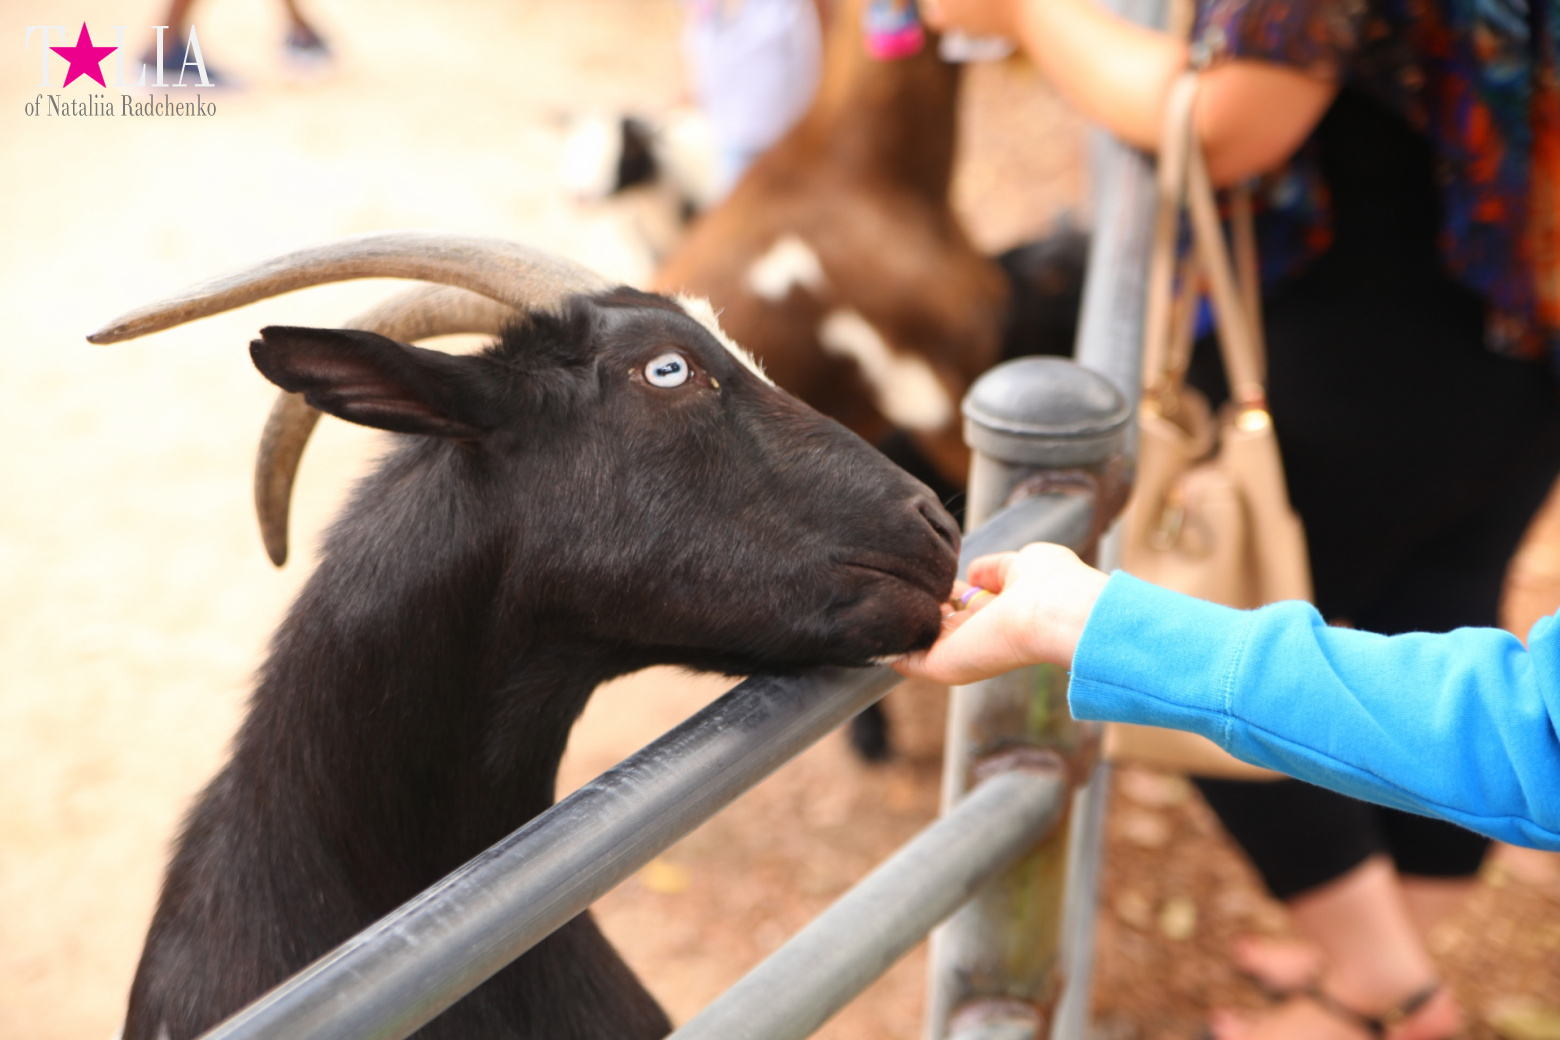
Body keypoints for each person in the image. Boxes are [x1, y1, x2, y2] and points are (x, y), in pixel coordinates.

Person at [917, 0, 1560, 1036]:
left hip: (1353, 341)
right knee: (1443, 617)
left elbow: (1232, 120)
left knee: (1215, 623)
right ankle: (1375, 960)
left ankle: (1381, 990)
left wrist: (1022, 12)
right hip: (1520, 312)